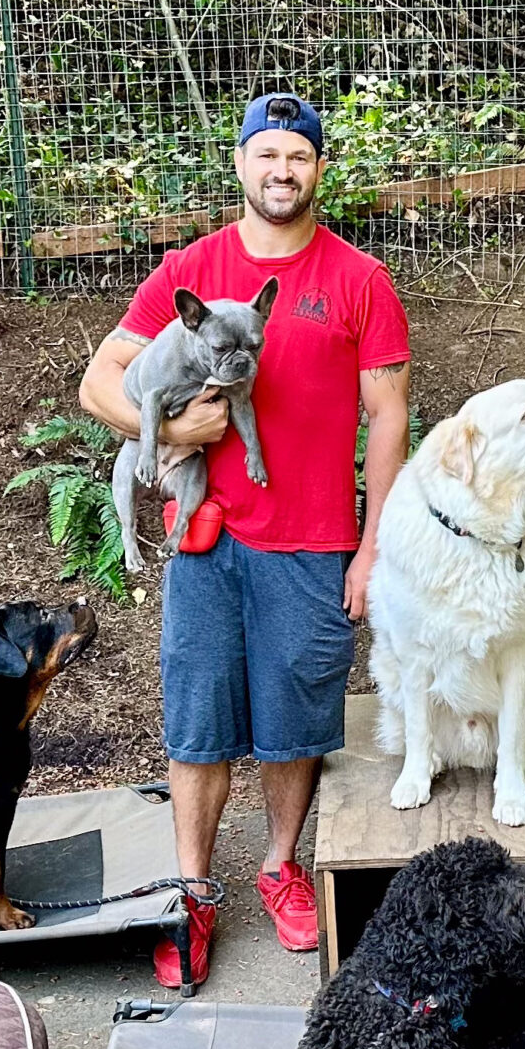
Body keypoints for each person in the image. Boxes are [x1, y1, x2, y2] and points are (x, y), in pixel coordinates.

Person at [79, 93, 412, 988]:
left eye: (296, 157)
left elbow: (389, 421)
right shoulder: (191, 267)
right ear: (240, 164)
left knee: (299, 714)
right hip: (205, 540)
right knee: (197, 717)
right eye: (265, 154)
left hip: (312, 540)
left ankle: (277, 864)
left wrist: (375, 547)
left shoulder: (360, 281)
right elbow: (99, 380)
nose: (281, 171)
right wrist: (176, 438)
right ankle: (193, 888)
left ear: (318, 169)